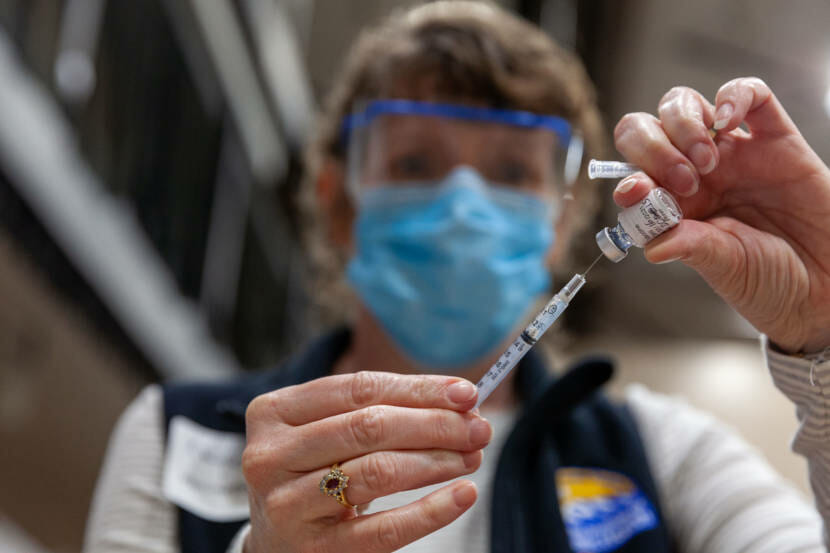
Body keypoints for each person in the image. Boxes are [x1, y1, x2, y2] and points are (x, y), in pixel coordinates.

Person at [84, 2, 830, 553]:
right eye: (414, 163)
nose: (464, 204)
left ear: (561, 222)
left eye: (510, 170)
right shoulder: (185, 436)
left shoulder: (666, 455)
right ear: (339, 204)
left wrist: (825, 330)